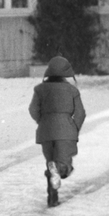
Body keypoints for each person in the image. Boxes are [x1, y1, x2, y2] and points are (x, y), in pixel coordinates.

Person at [28, 56, 86, 208]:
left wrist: (42, 121)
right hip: (65, 131)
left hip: (45, 131)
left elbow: (33, 109)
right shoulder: (72, 90)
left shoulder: (39, 89)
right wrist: (74, 128)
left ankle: (52, 198)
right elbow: (80, 113)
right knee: (64, 165)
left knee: (51, 162)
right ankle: (59, 170)